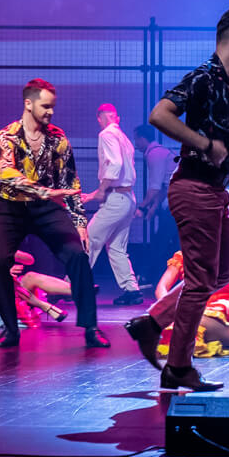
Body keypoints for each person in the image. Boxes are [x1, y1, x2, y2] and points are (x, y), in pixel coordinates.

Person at [143, 7, 229, 392]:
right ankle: (178, 368)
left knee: (226, 270)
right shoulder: (204, 77)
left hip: (217, 193)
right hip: (193, 188)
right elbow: (159, 115)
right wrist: (203, 143)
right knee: (200, 282)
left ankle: (151, 322)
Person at [0, 79, 108, 349]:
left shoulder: (57, 138)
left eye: (52, 106)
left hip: (47, 209)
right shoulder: (6, 136)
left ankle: (91, 328)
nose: (50, 112)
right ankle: (10, 329)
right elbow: (6, 174)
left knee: (78, 256)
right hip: (11, 208)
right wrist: (45, 191)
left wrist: (79, 222)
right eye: (45, 106)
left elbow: (70, 182)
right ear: (28, 104)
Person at [0, 205, 68, 329]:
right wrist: (2, 272)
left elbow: (30, 260)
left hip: (14, 292)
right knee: (3, 282)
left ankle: (78, 290)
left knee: (30, 277)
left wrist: (10, 252)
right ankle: (44, 305)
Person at [82, 103, 146, 306]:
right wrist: (94, 195)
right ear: (116, 118)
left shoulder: (106, 135)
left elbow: (115, 164)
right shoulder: (124, 138)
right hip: (127, 198)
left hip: (116, 199)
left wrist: (100, 191)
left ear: (100, 118)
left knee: (89, 239)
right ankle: (131, 290)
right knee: (117, 247)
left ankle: (70, 285)